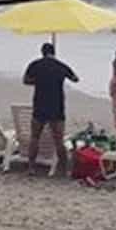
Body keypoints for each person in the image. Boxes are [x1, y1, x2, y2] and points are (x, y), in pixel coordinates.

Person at [23, 41, 78, 176]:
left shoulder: (35, 65)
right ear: (54, 52)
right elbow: (75, 78)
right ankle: (63, 169)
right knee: (59, 140)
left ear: (42, 52)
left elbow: (26, 80)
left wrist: (39, 81)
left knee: (35, 137)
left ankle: (31, 167)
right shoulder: (61, 66)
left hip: (40, 105)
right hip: (56, 106)